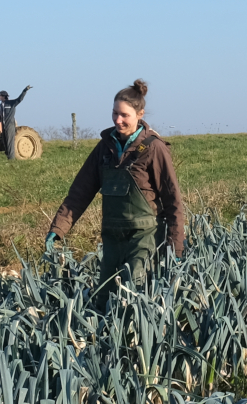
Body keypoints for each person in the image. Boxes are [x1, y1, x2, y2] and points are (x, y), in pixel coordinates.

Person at [46, 79, 184, 295]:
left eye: (124, 115)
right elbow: (79, 192)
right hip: (112, 238)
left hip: (144, 238)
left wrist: (176, 245)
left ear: (140, 115)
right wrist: (58, 229)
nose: (118, 120)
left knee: (135, 296)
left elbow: (172, 199)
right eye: (114, 114)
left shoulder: (154, 148)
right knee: (105, 297)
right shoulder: (105, 147)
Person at [0, 85, 31, 159]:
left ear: (3, 96)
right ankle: (8, 158)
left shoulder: (11, 103)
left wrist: (25, 90)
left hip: (10, 126)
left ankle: (11, 160)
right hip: (3, 127)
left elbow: (20, 99)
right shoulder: (0, 106)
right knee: (5, 142)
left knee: (10, 143)